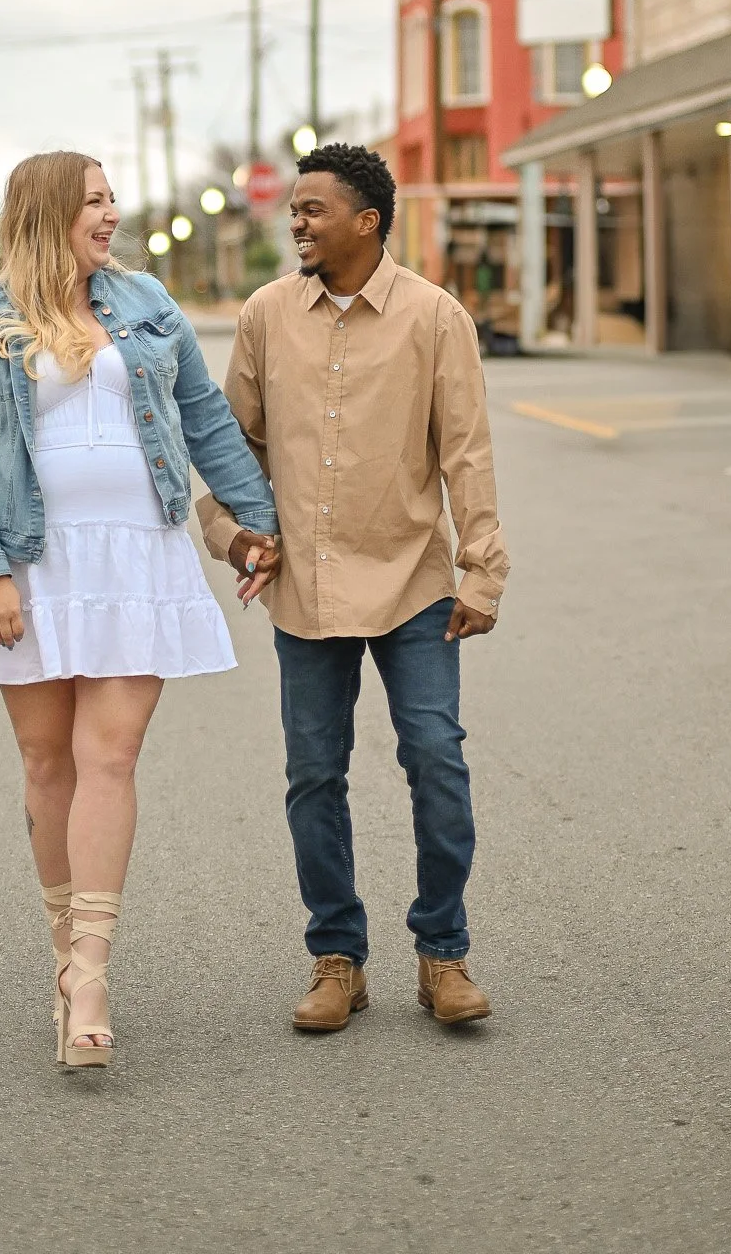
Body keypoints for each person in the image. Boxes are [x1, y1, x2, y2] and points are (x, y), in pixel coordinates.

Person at [0, 150, 279, 1069]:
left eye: (112, 196)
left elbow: (204, 420)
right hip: (33, 566)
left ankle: (89, 971)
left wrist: (256, 525)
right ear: (48, 213)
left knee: (108, 755)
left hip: (139, 557)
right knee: (49, 764)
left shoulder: (147, 304)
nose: (112, 212)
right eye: (94, 199)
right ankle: (61, 954)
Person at [200, 142, 509, 1033]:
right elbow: (235, 448)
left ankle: (441, 954)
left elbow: (466, 454)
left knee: (436, 762)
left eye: (312, 210)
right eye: (292, 209)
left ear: (367, 222)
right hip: (307, 586)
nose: (294, 222)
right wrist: (232, 535)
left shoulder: (435, 317)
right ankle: (336, 959)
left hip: (413, 579)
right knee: (313, 775)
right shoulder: (265, 315)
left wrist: (482, 573)